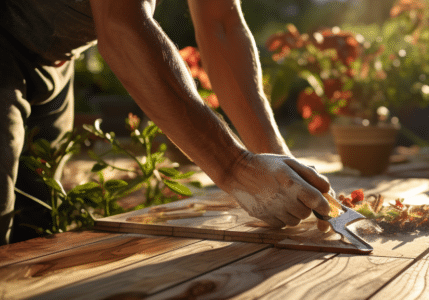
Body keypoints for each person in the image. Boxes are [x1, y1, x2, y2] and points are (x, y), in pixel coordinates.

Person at [0, 0, 332, 245]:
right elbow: (122, 27)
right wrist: (236, 168)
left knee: (36, 229)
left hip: (54, 57)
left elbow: (221, 24)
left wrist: (278, 161)